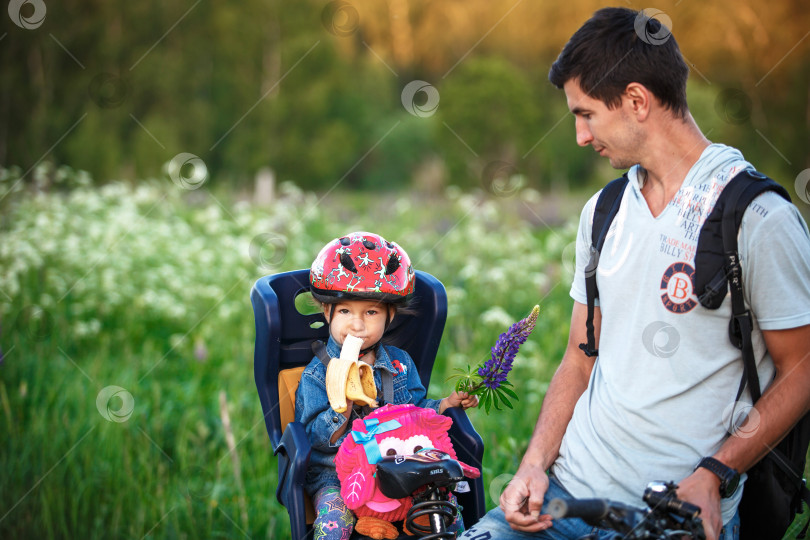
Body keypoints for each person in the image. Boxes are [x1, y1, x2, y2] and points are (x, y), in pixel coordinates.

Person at [461, 7, 810, 540]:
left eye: (586, 114)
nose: (580, 135)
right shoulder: (602, 212)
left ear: (637, 101)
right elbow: (579, 358)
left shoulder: (758, 218)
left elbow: (802, 369)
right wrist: (534, 464)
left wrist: (715, 475)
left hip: (674, 517)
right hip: (563, 500)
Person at [295, 231, 479, 540]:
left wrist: (445, 405)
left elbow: (415, 413)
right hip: (336, 476)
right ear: (326, 312)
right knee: (333, 525)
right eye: (344, 311)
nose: (357, 324)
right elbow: (313, 440)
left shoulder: (399, 364)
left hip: (398, 465)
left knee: (446, 511)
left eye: (371, 312)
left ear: (389, 315)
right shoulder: (315, 375)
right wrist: (343, 406)